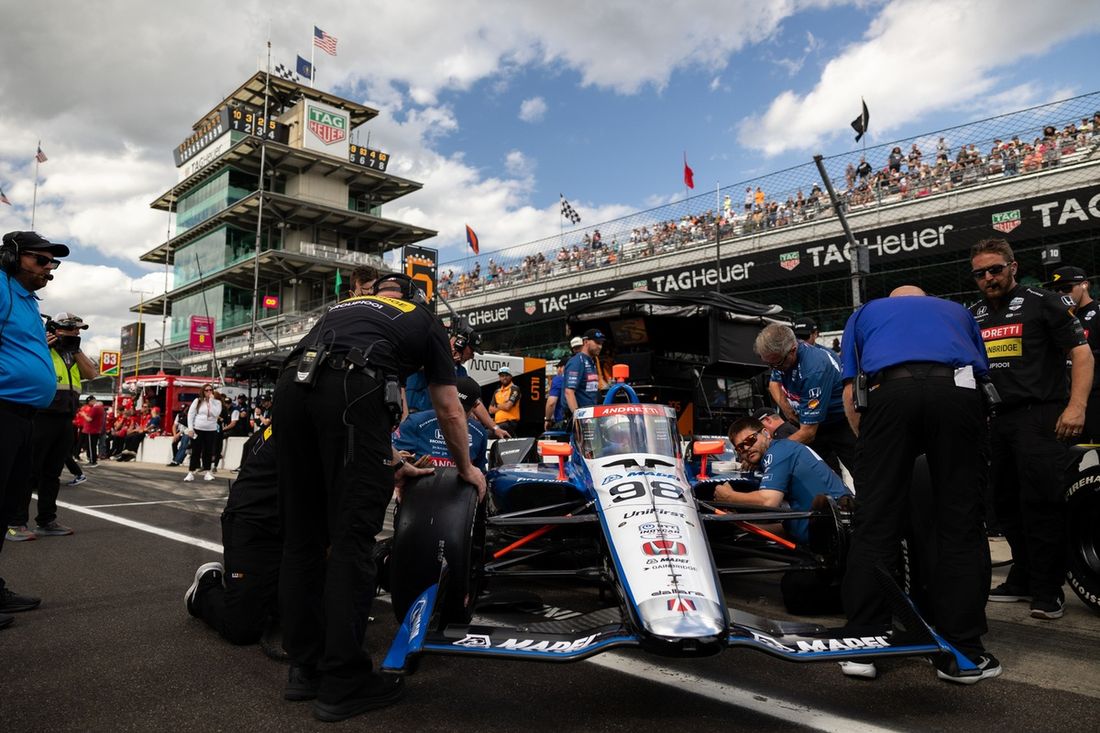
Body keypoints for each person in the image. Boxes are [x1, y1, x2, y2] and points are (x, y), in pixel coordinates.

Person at [274, 272, 485, 722]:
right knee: (352, 538)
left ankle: (304, 669)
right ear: (416, 298)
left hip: (291, 385)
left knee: (303, 537)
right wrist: (466, 468)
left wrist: (391, 461)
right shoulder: (425, 319)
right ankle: (344, 682)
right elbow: (450, 406)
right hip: (352, 386)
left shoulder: (343, 309)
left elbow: (330, 388)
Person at [838, 284, 999, 683]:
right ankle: (964, 651)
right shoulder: (957, 310)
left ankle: (863, 644)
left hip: (891, 392)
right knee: (962, 521)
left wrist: (871, 454)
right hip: (958, 391)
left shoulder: (866, 311)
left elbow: (850, 390)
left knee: (875, 521)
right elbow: (982, 374)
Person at [970, 240, 1092, 620]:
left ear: (1013, 267)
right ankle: (1022, 576)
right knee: (1003, 504)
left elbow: (1082, 354)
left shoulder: (1044, 301)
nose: (989, 278)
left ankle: (1048, 588)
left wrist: (1076, 407)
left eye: (995, 269)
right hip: (995, 420)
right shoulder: (971, 314)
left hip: (1041, 415)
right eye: (980, 273)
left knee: (1040, 503)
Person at [0, 231, 67, 628]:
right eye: (40, 261)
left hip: (24, 416)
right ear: (11, 256)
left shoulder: (26, 300)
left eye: (52, 264)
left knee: (6, 509)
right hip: (3, 410)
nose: (49, 271)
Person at [7, 312, 99, 540]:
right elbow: (24, 369)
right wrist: (42, 347)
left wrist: (76, 349)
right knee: (28, 473)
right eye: (71, 329)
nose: (76, 333)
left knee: (52, 474)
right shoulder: (40, 347)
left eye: (78, 330)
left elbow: (92, 373)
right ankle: (15, 523)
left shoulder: (73, 354)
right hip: (40, 417)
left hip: (65, 420)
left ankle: (47, 521)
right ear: (55, 329)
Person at [185, 426, 280, 645]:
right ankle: (205, 591)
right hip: (253, 528)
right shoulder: (291, 424)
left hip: (289, 530)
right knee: (242, 628)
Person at [715, 416, 850, 545]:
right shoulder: (783, 449)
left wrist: (729, 496)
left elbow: (769, 501)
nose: (746, 448)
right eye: (740, 448)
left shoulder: (777, 452)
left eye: (750, 440)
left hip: (839, 532)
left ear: (766, 433)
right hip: (833, 532)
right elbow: (791, 529)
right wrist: (741, 523)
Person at [756, 323, 854, 474]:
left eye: (777, 364)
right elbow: (773, 384)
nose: (774, 368)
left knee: (864, 476)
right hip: (810, 421)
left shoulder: (813, 369)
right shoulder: (781, 357)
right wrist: (787, 410)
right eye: (769, 364)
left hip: (841, 421)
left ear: (793, 351)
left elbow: (808, 433)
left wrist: (769, 452)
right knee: (814, 474)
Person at [1043, 265, 1100, 442]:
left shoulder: (1098, 311)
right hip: (1068, 399)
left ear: (1084, 285)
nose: (1061, 293)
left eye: (1067, 288)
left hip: (1097, 396)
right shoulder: (1058, 318)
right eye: (1055, 289)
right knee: (1065, 459)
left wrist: (1083, 353)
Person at [393, 376, 488, 472]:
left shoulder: (479, 432)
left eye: (461, 411)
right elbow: (392, 459)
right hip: (420, 484)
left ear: (475, 405)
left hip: (460, 486)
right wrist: (410, 467)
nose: (454, 414)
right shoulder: (416, 423)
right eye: (452, 406)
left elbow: (481, 472)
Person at [563, 329, 605, 417]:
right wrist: (578, 418)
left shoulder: (591, 361)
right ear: (586, 342)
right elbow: (569, 392)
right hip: (582, 418)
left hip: (591, 415)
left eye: (601, 343)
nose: (600, 346)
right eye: (597, 342)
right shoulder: (577, 361)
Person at [186, 384, 222, 482]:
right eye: (206, 390)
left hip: (211, 429)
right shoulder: (197, 401)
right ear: (203, 391)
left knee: (208, 451)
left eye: (210, 390)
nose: (209, 392)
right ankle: (191, 472)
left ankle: (207, 471)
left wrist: (211, 401)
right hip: (198, 428)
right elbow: (191, 414)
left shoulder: (217, 402)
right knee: (196, 451)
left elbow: (216, 414)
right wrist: (190, 428)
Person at [489, 367, 521, 437]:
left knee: (488, 433)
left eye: (506, 375)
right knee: (483, 431)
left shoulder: (514, 388)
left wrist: (497, 405)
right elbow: (491, 410)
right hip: (497, 423)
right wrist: (503, 405)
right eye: (502, 376)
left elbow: (508, 407)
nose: (504, 378)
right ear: (499, 378)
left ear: (511, 376)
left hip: (509, 422)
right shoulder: (497, 391)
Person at [78, 395, 106, 466]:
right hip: (96, 429)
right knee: (93, 446)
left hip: (91, 429)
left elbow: (89, 419)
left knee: (91, 446)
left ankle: (92, 461)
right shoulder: (101, 408)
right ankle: (93, 460)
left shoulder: (95, 408)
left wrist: (84, 415)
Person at [544, 357, 568, 431]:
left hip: (562, 422)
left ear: (562, 367)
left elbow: (551, 402)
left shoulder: (558, 379)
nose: (557, 370)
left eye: (558, 367)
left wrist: (547, 420)